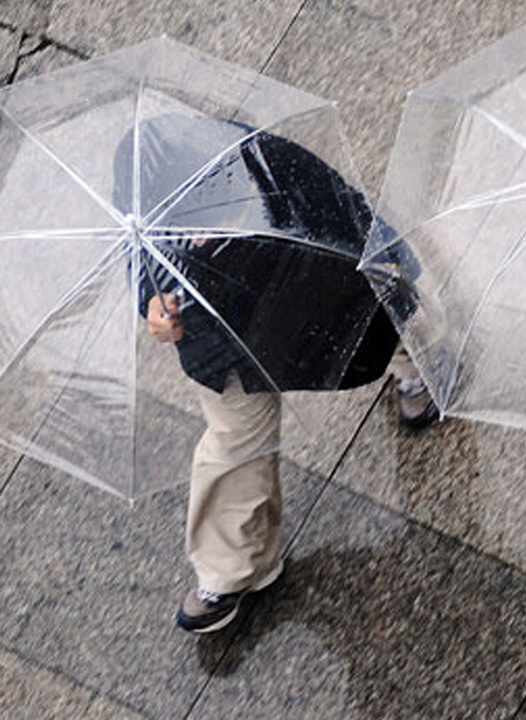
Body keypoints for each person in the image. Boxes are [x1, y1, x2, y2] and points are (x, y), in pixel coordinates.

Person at [124, 114, 397, 633]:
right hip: (218, 337)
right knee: (233, 441)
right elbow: (136, 256)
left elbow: (351, 229)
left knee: (377, 322)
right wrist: (152, 305)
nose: (198, 237)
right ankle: (231, 570)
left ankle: (419, 363)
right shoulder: (143, 172)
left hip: (304, 289)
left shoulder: (272, 166)